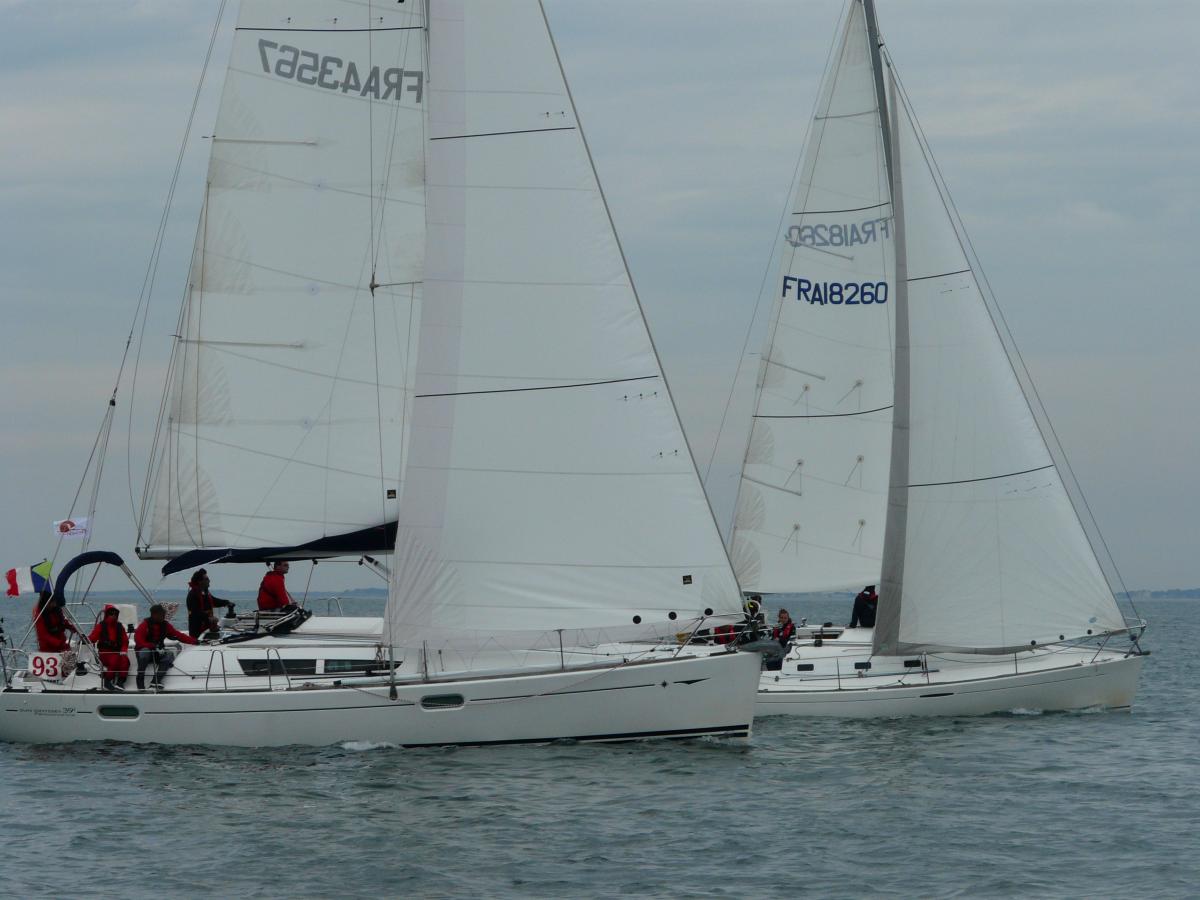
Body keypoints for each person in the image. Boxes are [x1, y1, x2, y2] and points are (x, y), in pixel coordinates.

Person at [134, 604, 197, 691]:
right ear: (154, 614)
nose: (164, 616)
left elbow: (178, 635)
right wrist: (153, 646)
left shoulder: (166, 625)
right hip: (145, 652)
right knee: (145, 652)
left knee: (169, 655)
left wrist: (195, 641)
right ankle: (140, 681)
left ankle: (155, 681)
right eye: (162, 614)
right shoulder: (144, 625)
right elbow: (139, 642)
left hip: (157, 652)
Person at [88, 604, 130, 691]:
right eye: (111, 613)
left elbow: (125, 641)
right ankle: (107, 681)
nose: (113, 616)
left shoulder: (120, 627)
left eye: (115, 614)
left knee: (125, 661)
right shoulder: (101, 626)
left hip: (117, 652)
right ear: (107, 614)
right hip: (104, 653)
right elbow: (93, 638)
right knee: (114, 660)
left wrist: (123, 650)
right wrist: (85, 639)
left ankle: (120, 682)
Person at [185, 568, 232, 638]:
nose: (209, 581)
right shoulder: (192, 595)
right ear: (200, 581)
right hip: (197, 632)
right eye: (206, 579)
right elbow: (195, 613)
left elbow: (214, 601)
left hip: (207, 629)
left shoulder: (205, 593)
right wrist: (210, 618)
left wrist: (226, 602)